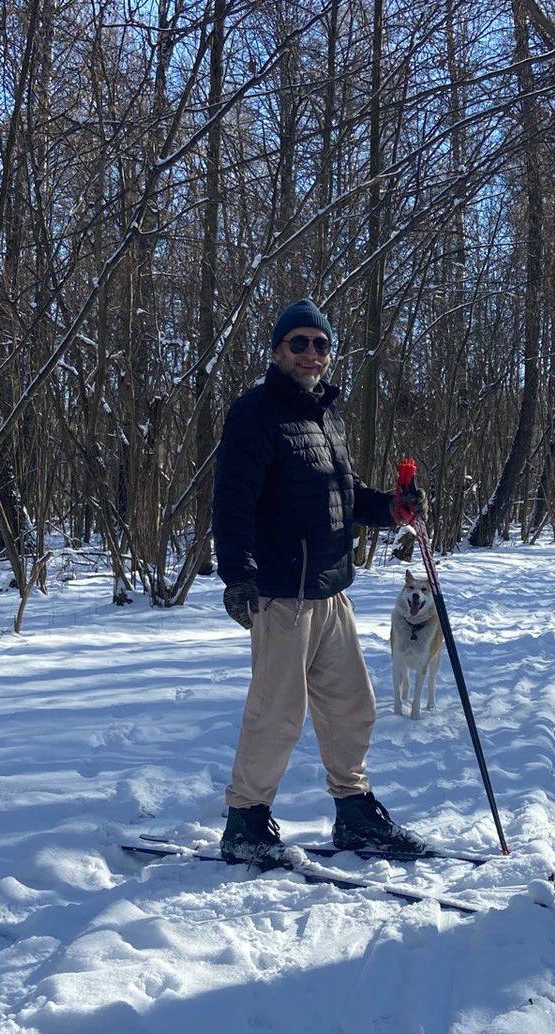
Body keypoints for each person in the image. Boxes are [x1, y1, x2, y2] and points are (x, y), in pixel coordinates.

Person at [212, 298, 426, 868]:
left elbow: (345, 494)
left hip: (331, 588)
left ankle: (354, 813)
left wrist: (395, 508)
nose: (311, 353)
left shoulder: (326, 416)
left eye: (321, 344)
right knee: (278, 712)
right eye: (298, 343)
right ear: (277, 351)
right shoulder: (254, 414)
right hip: (281, 591)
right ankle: (246, 821)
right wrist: (238, 576)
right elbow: (232, 504)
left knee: (353, 705)